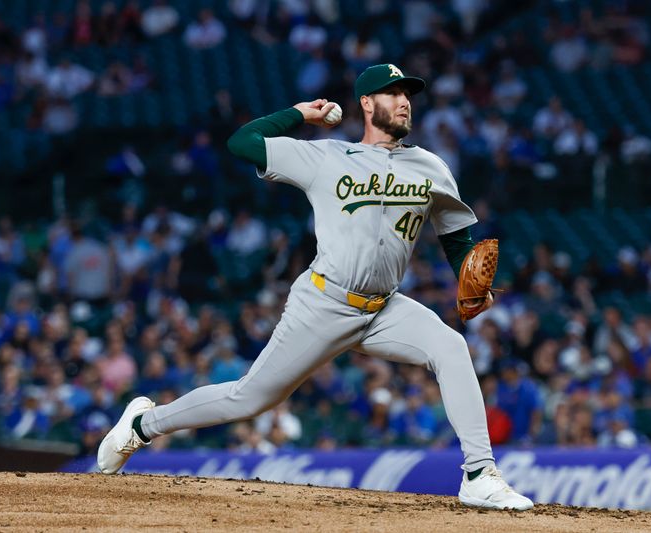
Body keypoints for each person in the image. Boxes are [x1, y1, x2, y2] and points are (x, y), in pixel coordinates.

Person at [97, 63, 533, 511]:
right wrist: (298, 114)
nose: (404, 102)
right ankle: (144, 425)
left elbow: (457, 241)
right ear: (366, 103)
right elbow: (242, 143)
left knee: (451, 347)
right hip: (324, 302)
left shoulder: (431, 167)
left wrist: (472, 280)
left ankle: (479, 474)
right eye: (392, 93)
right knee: (249, 398)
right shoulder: (326, 156)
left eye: (408, 94)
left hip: (384, 309)